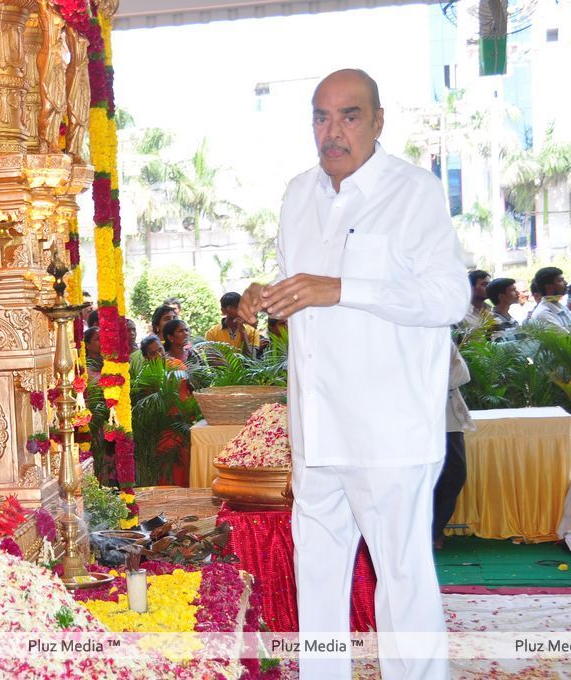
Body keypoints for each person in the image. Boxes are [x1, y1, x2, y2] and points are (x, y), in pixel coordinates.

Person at [239, 68, 466, 680]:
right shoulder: (296, 194)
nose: (331, 131)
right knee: (316, 578)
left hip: (389, 431)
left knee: (402, 581)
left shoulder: (412, 191)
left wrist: (342, 288)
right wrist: (264, 296)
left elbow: (449, 299)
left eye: (349, 115)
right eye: (320, 116)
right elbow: (300, 294)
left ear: (379, 120)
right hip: (316, 428)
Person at [433, 342, 472, 550]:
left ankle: (435, 530)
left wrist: (428, 384)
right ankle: (421, 533)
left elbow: (462, 373)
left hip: (448, 420)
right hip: (411, 422)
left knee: (455, 475)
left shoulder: (442, 337)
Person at [527, 267, 571, 331]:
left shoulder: (560, 306)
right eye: (560, 280)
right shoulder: (543, 314)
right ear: (548, 287)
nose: (565, 283)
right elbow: (566, 338)